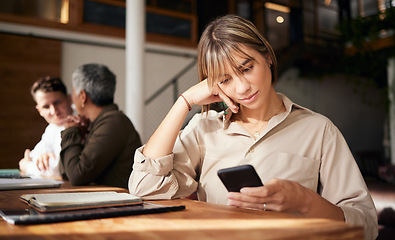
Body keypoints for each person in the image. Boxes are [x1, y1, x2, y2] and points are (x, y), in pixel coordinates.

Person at [128, 15, 378, 239]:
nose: (241, 88)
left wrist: (305, 201)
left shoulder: (319, 130)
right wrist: (184, 101)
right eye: (225, 79)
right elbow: (144, 187)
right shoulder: (204, 129)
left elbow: (366, 225)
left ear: (268, 57)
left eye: (247, 68)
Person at [60, 63, 141, 189]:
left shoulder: (113, 122)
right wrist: (78, 135)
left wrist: (70, 131)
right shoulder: (98, 123)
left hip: (117, 205)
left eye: (73, 92)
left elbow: (76, 175)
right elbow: (66, 172)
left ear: (82, 96)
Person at [19, 76, 73, 178]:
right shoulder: (52, 128)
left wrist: (27, 166)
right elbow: (31, 156)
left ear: (69, 99)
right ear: (39, 110)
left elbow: (57, 171)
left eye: (57, 102)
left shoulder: (79, 125)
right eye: (46, 106)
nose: (54, 111)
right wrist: (42, 157)